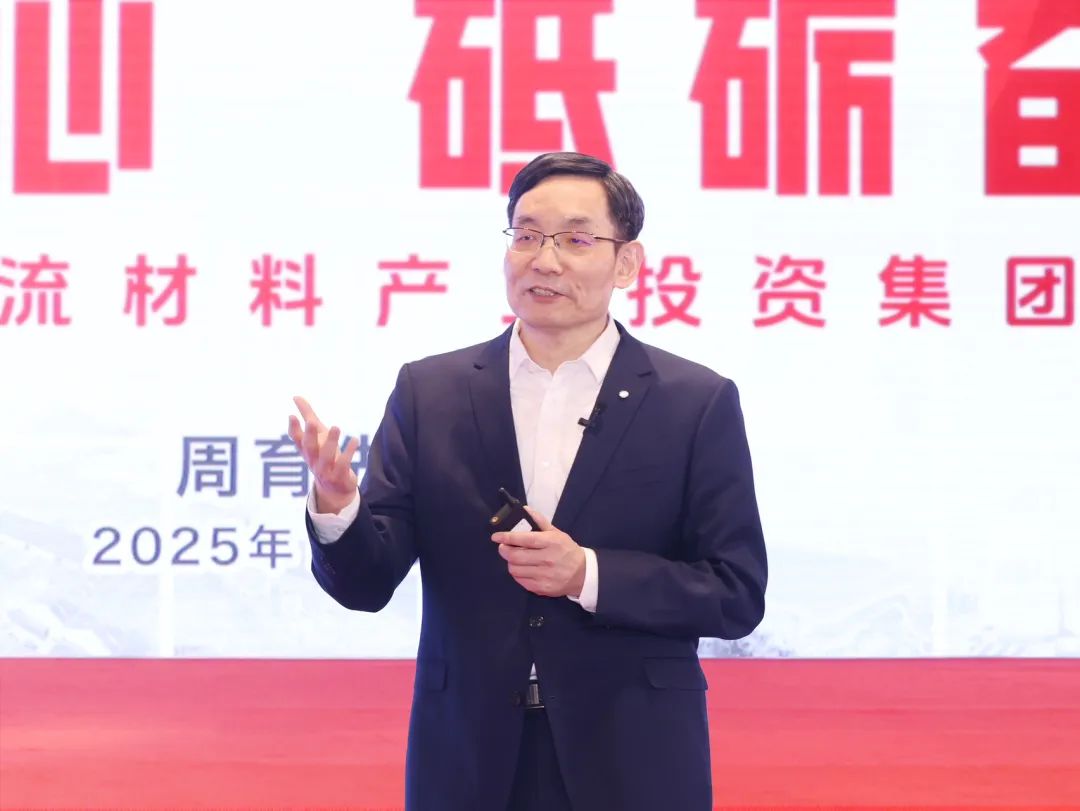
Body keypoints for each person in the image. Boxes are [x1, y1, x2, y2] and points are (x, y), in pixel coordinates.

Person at [288, 152, 767, 811]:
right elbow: (366, 584)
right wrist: (339, 506)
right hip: (470, 754)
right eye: (527, 235)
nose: (544, 260)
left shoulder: (694, 402)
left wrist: (587, 574)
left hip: (633, 752)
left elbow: (735, 593)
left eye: (575, 239)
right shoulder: (432, 393)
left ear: (627, 262)